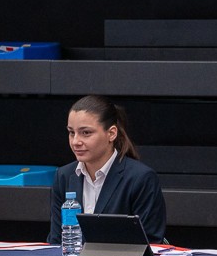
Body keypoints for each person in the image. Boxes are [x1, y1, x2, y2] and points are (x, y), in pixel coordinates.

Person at [49, 95, 167, 244]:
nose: (75, 141)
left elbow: (151, 243)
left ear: (111, 133)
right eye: (72, 132)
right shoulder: (63, 176)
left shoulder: (141, 178)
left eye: (86, 133)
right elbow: (56, 241)